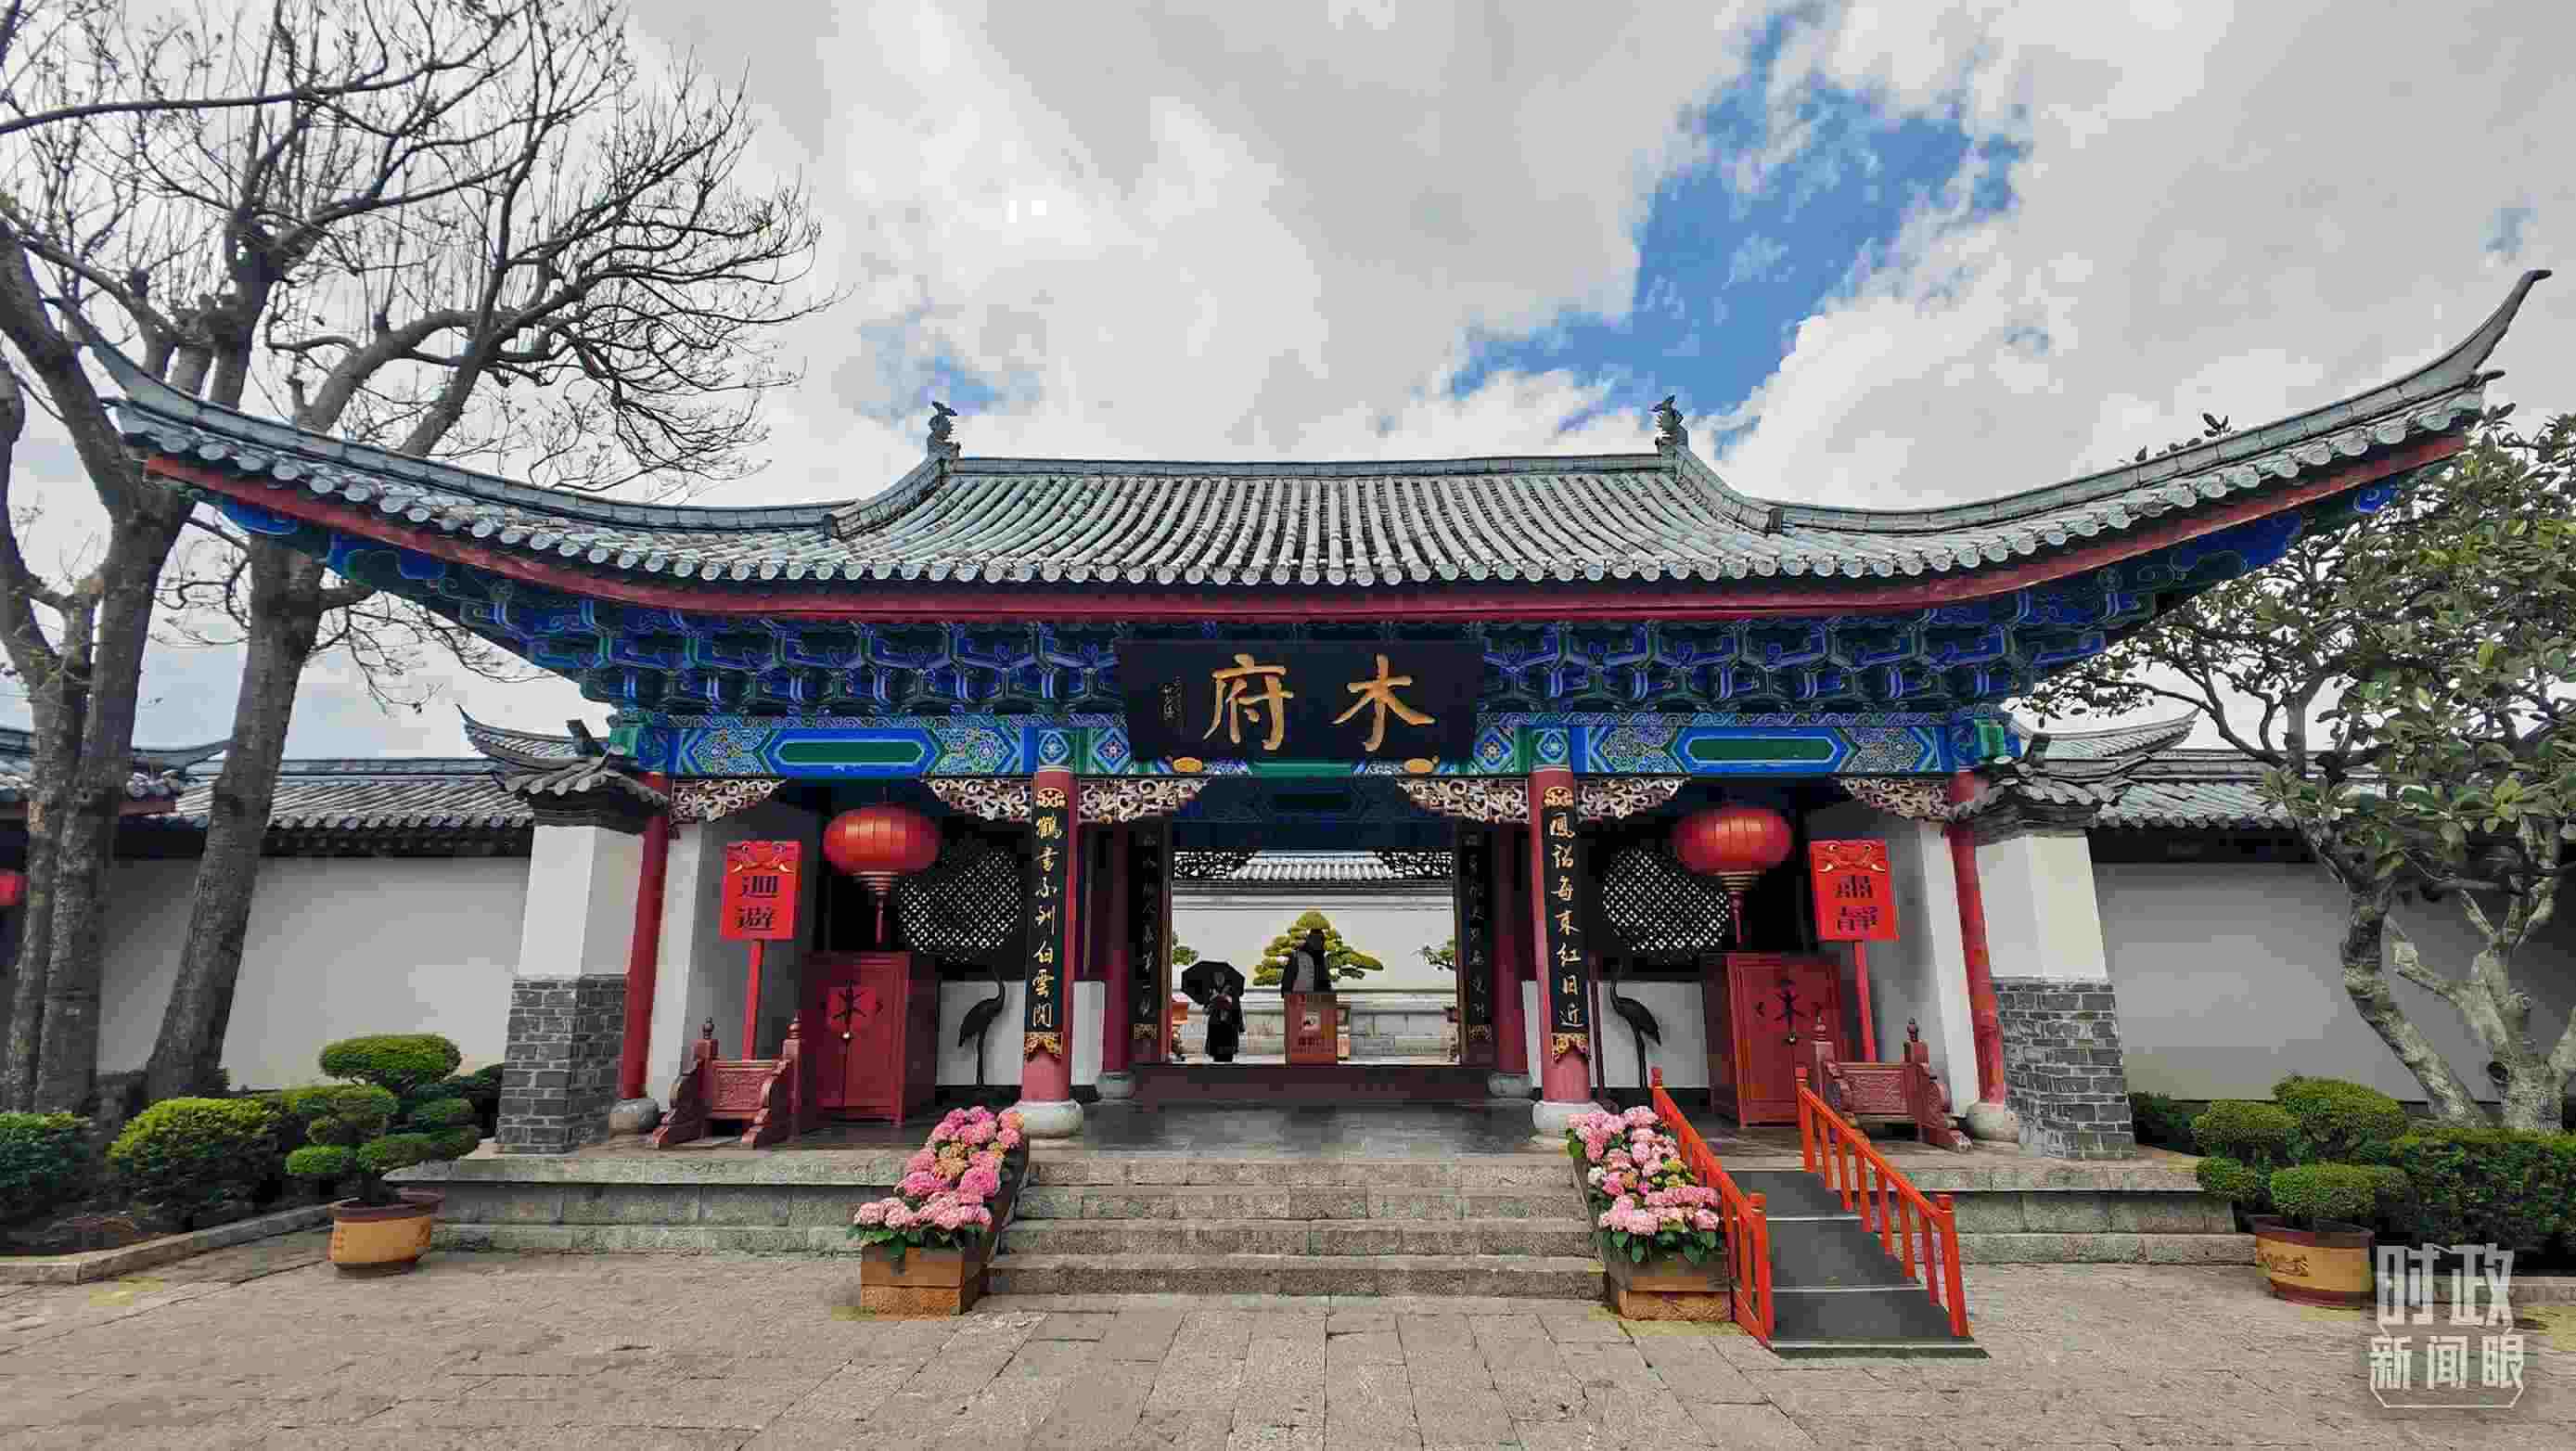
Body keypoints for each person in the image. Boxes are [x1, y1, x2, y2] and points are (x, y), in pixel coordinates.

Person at [1205, 986, 1242, 1063]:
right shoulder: (1212, 991)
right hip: (1216, 1027)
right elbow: (1206, 1010)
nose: (1218, 980)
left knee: (1228, 1056)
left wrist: (1240, 1027)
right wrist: (1212, 1000)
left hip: (1229, 1028)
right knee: (1217, 1058)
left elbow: (1237, 1009)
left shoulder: (1232, 991)